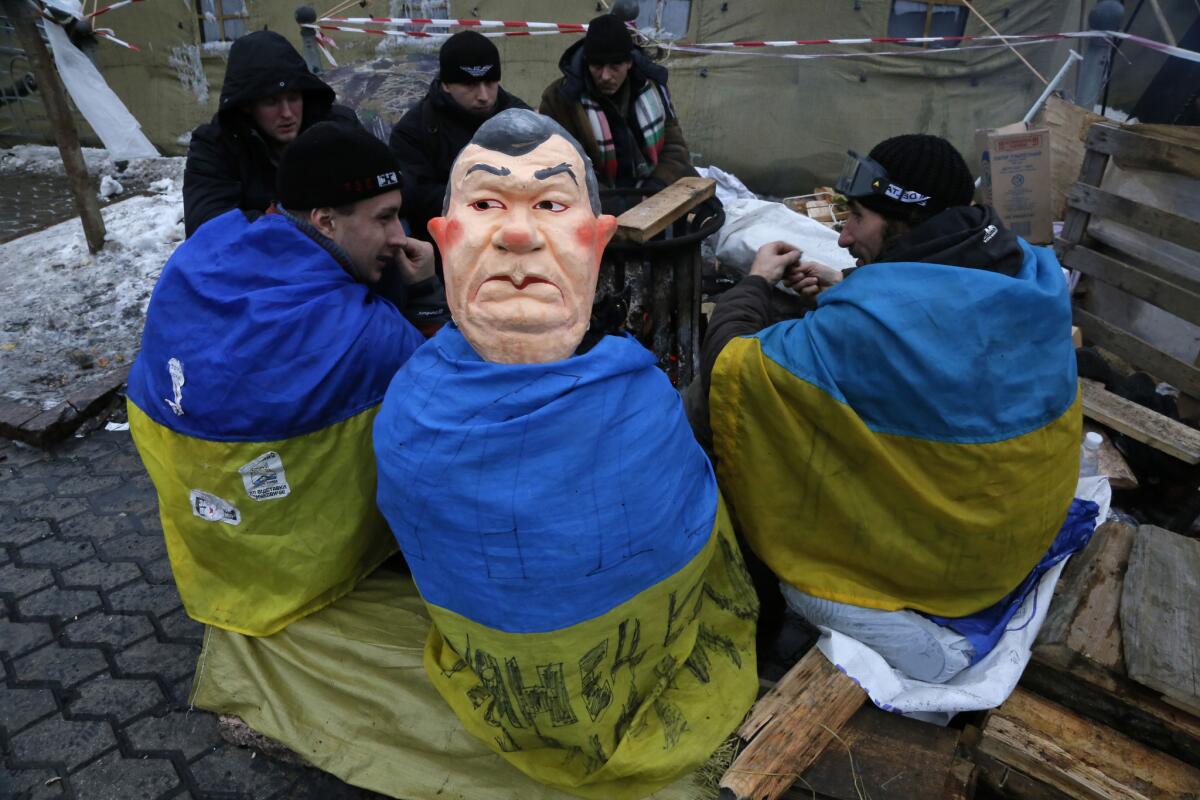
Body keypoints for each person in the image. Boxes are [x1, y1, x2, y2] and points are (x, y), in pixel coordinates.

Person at [373, 109, 758, 798]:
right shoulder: (411, 411)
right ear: (442, 237)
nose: (518, 236)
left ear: (598, 240)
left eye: (552, 204)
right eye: (486, 203)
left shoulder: (638, 398)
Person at [694, 134, 1096, 683]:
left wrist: (756, 283)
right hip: (1020, 526)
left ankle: (802, 637)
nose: (844, 234)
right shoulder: (1028, 267)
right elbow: (938, 317)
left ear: (905, 221)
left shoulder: (866, 328)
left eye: (858, 216)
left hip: (957, 569)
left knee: (724, 435)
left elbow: (731, 367)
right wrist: (853, 286)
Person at [128, 123, 431, 637]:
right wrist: (425, 297)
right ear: (325, 221)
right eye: (384, 218)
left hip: (208, 542)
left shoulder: (211, 248)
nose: (400, 235)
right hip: (299, 571)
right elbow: (446, 402)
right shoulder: (364, 332)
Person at [183, 30, 360, 237]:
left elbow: (386, 190)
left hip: (342, 254)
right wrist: (293, 220)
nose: (286, 113)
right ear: (247, 106)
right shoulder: (216, 144)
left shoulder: (338, 128)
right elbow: (207, 225)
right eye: (271, 101)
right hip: (260, 261)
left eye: (293, 98)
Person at [539, 13, 703, 213]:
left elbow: (674, 145)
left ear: (630, 62)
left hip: (650, 184)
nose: (606, 76)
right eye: (597, 66)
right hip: (597, 197)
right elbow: (560, 167)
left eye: (615, 66)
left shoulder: (653, 88)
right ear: (586, 62)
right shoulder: (560, 99)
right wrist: (617, 204)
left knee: (704, 209)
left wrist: (657, 185)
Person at [388, 30, 530, 247]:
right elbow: (413, 195)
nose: (483, 95)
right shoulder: (415, 129)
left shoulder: (521, 117)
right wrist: (478, 198)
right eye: (470, 85)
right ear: (446, 84)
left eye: (490, 82)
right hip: (447, 244)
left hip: (520, 234)